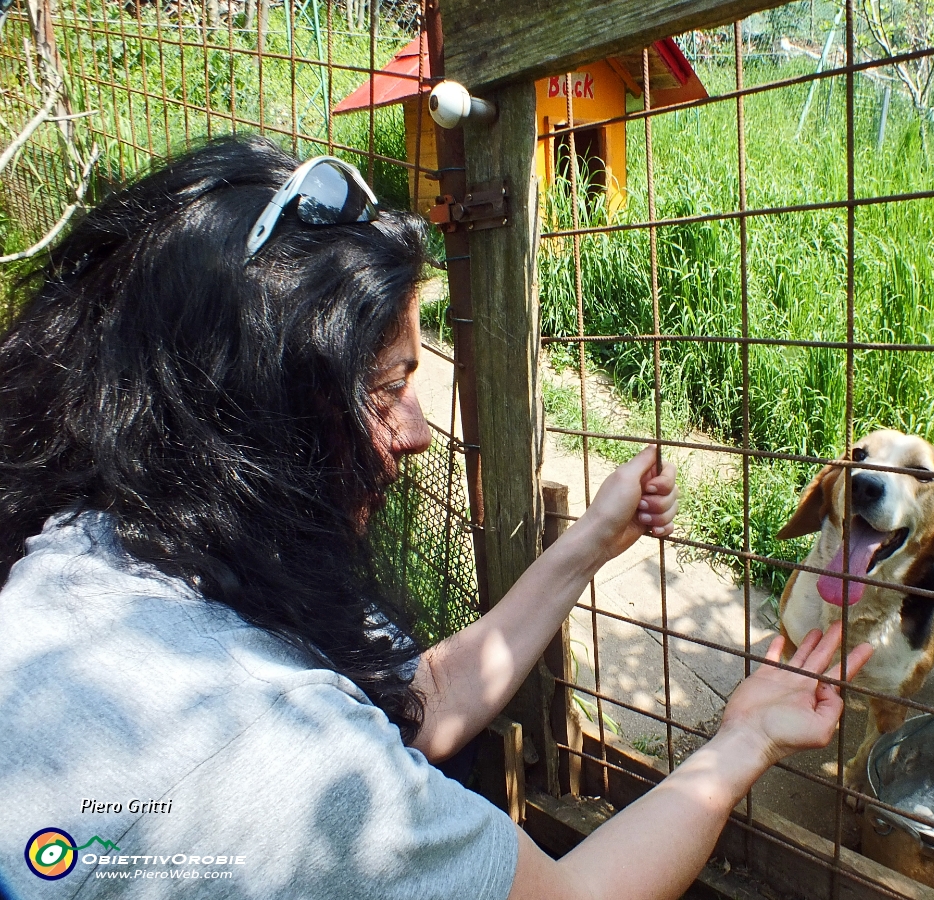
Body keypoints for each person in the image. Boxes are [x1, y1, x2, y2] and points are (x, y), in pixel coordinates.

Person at [0, 134, 872, 900]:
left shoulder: (86, 554)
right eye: (388, 389)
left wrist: (590, 545)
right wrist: (745, 737)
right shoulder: (287, 771)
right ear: (255, 424)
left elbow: (418, 704)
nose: (419, 432)